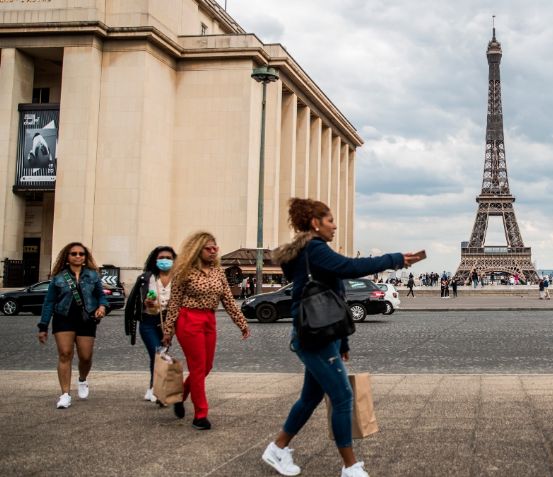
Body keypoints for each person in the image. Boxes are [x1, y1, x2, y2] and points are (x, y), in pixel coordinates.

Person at [264, 198, 422, 477]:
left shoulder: (313, 252)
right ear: (315, 223)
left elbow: (336, 296)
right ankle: (350, 466)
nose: (335, 226)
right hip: (314, 337)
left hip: (322, 333)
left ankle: (278, 447)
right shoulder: (314, 249)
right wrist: (396, 259)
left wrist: (344, 341)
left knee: (310, 397)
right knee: (342, 397)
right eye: (330, 220)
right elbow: (351, 267)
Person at [161, 232, 251, 431]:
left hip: (209, 319)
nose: (213, 252)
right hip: (188, 319)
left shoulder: (219, 271)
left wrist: (242, 323)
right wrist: (168, 330)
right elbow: (174, 303)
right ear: (197, 250)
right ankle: (200, 415)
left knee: (206, 367)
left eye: (215, 248)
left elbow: (228, 299)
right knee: (198, 367)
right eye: (208, 249)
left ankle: (180, 396)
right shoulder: (185, 271)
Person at [37, 242, 109, 409]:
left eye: (81, 254)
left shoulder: (93, 276)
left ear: (85, 257)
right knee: (65, 354)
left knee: (85, 357)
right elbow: (49, 303)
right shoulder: (58, 278)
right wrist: (43, 326)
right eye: (74, 254)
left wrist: (102, 307)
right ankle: (65, 394)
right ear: (67, 257)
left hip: (87, 319)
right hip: (63, 318)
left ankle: (82, 379)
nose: (78, 256)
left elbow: (102, 297)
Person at [126, 246, 177, 403]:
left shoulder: (179, 279)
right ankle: (158, 390)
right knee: (158, 353)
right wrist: (145, 302)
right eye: (161, 257)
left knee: (158, 355)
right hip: (148, 321)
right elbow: (134, 301)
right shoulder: (146, 278)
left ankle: (152, 387)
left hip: (168, 323)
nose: (165, 261)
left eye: (169, 258)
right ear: (155, 260)